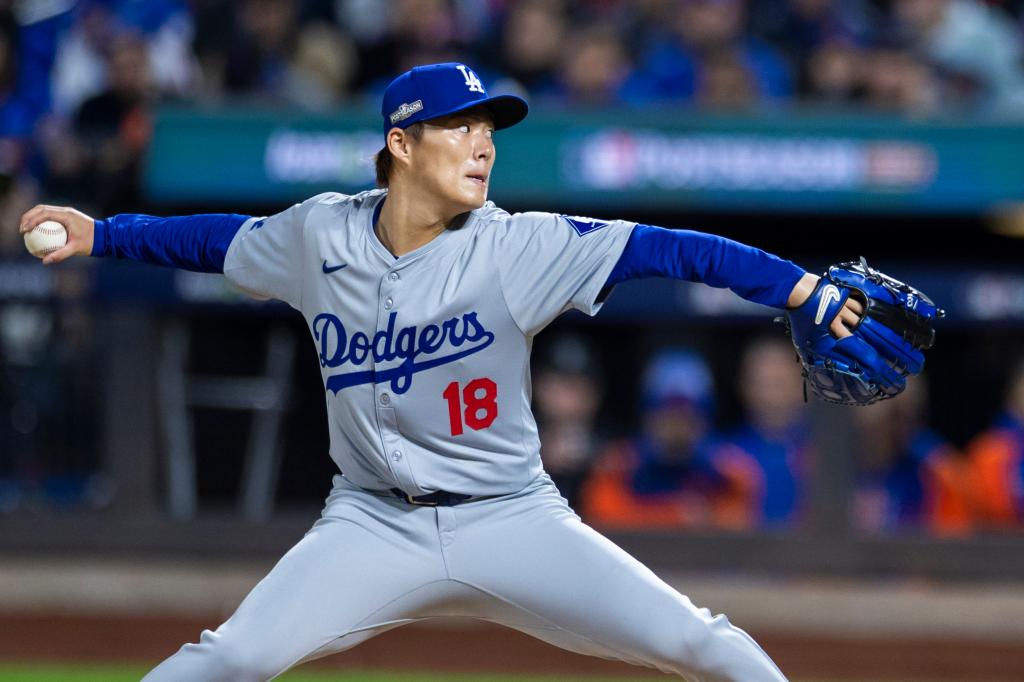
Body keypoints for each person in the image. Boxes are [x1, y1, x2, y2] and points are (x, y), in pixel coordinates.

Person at [19, 62, 862, 681]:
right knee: (229, 659)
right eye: (461, 125)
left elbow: (671, 248)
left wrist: (800, 287)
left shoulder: (517, 246)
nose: (483, 144)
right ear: (401, 143)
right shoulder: (319, 236)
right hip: (369, 526)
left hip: (513, 520)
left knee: (703, 645)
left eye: (489, 128)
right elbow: (212, 239)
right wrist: (104, 233)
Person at [581, 349, 726, 529]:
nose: (677, 426)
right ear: (648, 415)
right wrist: (676, 515)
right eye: (668, 414)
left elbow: (735, 524)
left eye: (686, 415)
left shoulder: (728, 474)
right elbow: (605, 523)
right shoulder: (615, 468)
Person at [708, 337, 812, 530]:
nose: (771, 395)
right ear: (744, 387)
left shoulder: (823, 455)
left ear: (803, 386)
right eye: (763, 383)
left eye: (780, 383)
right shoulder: (722, 455)